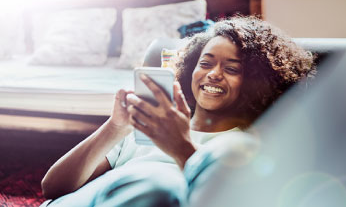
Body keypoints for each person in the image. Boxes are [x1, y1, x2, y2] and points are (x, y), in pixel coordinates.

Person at [40, 16, 316, 206]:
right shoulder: (150, 125)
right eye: (205, 63)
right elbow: (52, 188)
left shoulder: (248, 144)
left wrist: (180, 147)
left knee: (159, 185)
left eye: (231, 69)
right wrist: (115, 128)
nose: (213, 75)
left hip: (150, 198)